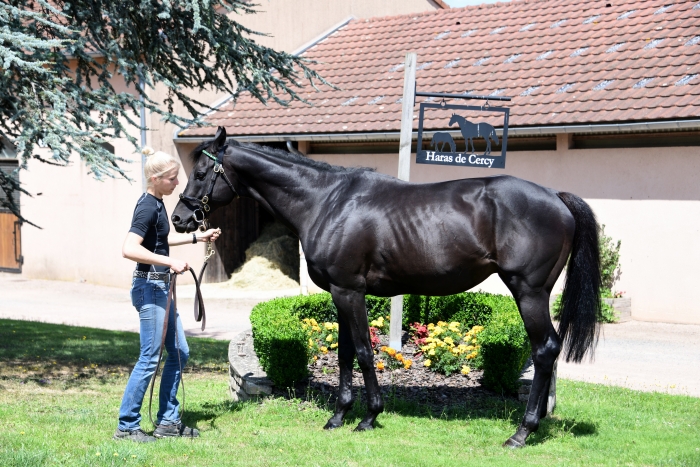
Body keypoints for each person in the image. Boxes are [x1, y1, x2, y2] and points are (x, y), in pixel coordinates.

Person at [114, 147, 221, 443]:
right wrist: (170, 262)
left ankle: (168, 423)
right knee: (150, 357)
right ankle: (126, 426)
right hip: (150, 286)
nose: (178, 184)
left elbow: (161, 240)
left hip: (160, 286)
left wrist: (197, 237)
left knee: (179, 352)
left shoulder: (158, 203)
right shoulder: (147, 205)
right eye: (173, 179)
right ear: (156, 178)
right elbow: (130, 248)